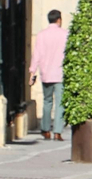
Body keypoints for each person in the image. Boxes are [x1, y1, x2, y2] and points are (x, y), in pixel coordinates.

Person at [28, 9, 69, 141]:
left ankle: (45, 129)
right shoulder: (65, 34)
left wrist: (32, 72)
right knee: (60, 103)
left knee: (47, 102)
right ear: (59, 20)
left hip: (46, 73)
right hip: (60, 73)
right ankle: (57, 131)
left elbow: (37, 55)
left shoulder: (41, 35)